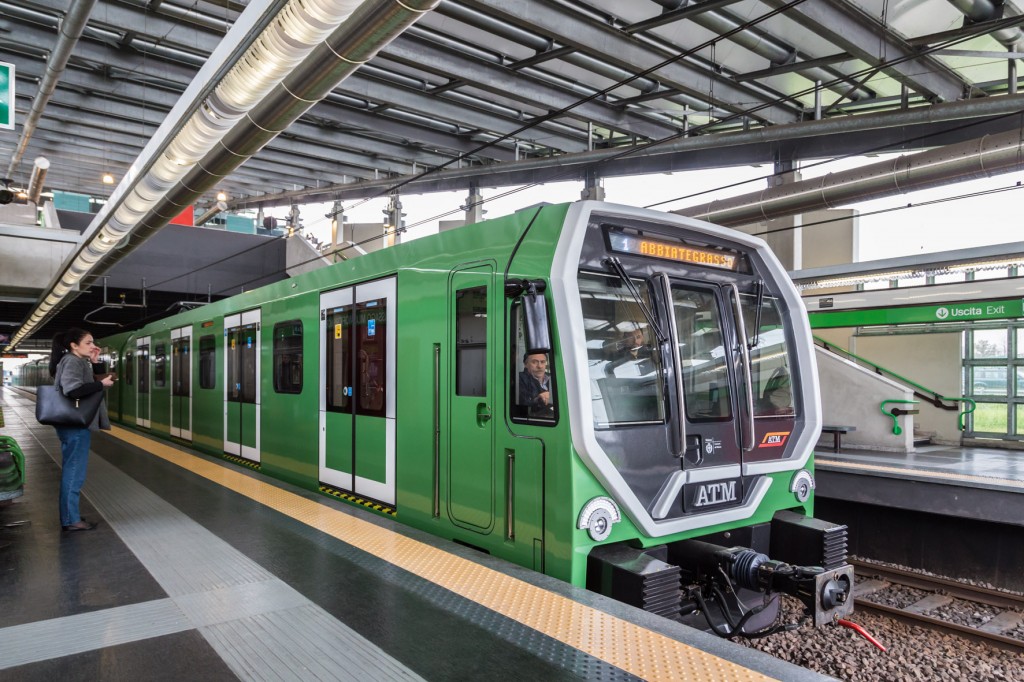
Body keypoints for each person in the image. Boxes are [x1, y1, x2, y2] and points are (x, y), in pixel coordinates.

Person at [49, 328, 114, 532]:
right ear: (73, 346)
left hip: (74, 424)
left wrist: (95, 363)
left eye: (93, 342)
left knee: (74, 470)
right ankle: (70, 520)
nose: (93, 345)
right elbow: (73, 389)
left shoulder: (79, 361)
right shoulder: (72, 361)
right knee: (74, 472)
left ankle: (71, 516)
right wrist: (100, 385)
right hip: (75, 425)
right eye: (88, 342)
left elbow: (89, 381)